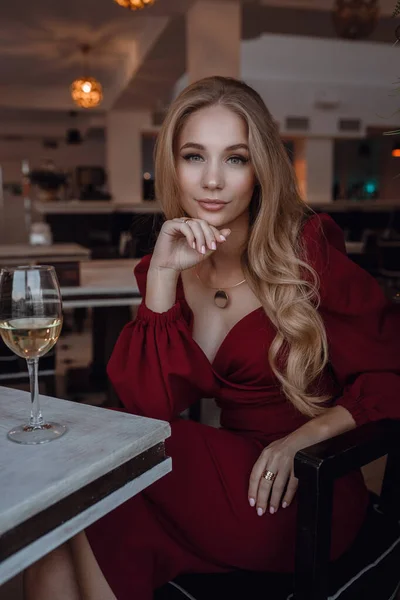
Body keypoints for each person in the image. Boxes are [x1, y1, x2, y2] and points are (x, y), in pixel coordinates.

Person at [25, 76, 400, 600]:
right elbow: (150, 406)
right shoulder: (166, 270)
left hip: (302, 489)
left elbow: (391, 373)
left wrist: (305, 438)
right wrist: (162, 274)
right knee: (60, 542)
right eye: (195, 156)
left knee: (93, 492)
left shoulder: (307, 255)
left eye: (236, 159)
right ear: (172, 168)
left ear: (260, 171)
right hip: (227, 473)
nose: (213, 181)